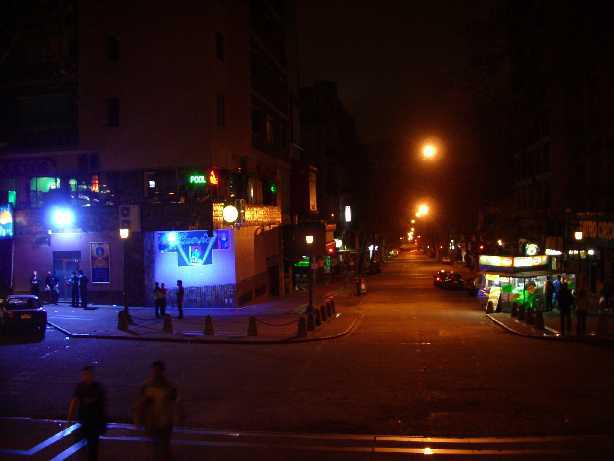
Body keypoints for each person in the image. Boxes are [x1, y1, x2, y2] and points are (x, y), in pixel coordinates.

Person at [134, 361, 179, 461]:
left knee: (161, 447)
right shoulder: (147, 386)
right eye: (155, 370)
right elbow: (139, 404)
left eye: (157, 371)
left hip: (164, 421)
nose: (156, 373)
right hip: (153, 421)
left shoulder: (169, 387)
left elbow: (175, 403)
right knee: (157, 447)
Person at [68, 366, 107, 461]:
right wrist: (70, 417)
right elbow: (74, 402)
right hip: (86, 420)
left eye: (87, 374)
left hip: (93, 422)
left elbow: (74, 402)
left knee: (91, 446)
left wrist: (70, 418)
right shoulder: (95, 387)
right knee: (90, 446)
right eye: (85, 374)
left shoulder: (88, 387)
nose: (86, 376)